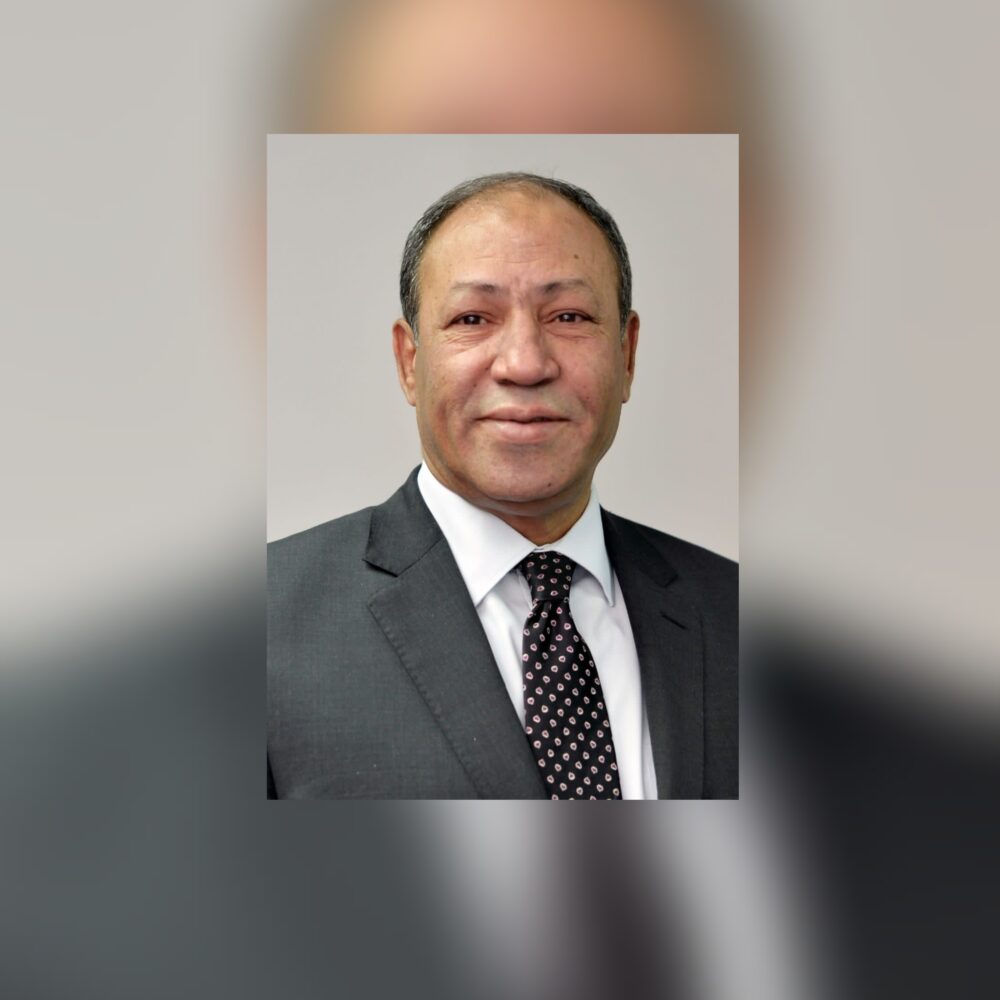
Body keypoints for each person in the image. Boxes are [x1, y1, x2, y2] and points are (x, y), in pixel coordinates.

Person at [267, 172, 738, 799]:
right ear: (409, 362)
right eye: (473, 318)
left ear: (626, 355)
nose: (525, 364)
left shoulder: (731, 612)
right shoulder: (264, 623)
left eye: (568, 316)